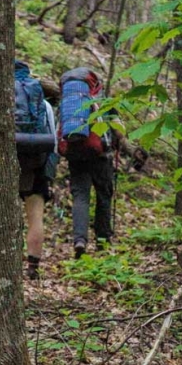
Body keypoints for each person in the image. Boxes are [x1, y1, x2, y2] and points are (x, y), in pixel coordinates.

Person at [57, 68, 148, 258]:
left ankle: (79, 239)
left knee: (80, 196)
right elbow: (119, 130)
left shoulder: (67, 101)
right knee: (103, 195)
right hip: (100, 155)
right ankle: (103, 240)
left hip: (75, 153)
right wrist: (124, 143)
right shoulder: (102, 100)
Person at [22, 98, 59, 280]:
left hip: (2, 165)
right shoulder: (42, 104)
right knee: (35, 217)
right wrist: (49, 174)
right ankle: (33, 268)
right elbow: (53, 141)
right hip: (36, 167)